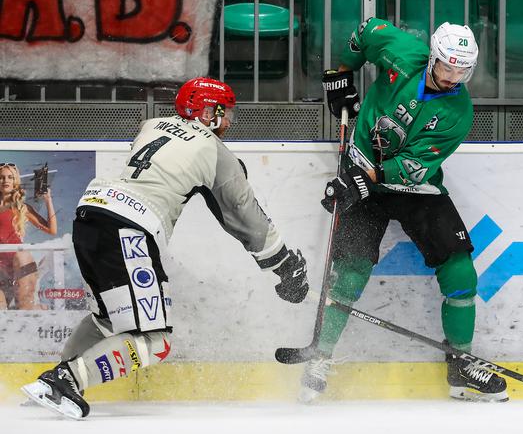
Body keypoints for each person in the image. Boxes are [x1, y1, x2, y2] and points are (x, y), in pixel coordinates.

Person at [21, 77, 310, 419]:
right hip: (130, 228)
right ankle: (63, 381)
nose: (229, 122)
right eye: (225, 112)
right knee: (156, 341)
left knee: (107, 318)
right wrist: (284, 265)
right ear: (207, 112)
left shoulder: (152, 125)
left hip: (91, 215)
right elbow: (245, 216)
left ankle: (53, 383)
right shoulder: (216, 151)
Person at [299, 18, 508, 403]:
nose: (454, 77)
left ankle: (461, 364)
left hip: (412, 187)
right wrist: (342, 74)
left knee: (460, 269)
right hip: (361, 166)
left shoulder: (458, 113)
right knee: (349, 274)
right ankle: (319, 358)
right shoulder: (402, 52)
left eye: (463, 71)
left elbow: (412, 167)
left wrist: (363, 178)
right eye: (448, 67)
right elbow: (365, 31)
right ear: (433, 58)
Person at [0, 163, 57, 309]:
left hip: (18, 263)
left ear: (15, 181)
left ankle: (42, 310)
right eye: (1, 177)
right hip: (1, 269)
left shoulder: (22, 207)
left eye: (10, 177)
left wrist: (48, 200)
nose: (5, 180)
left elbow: (51, 230)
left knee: (25, 308)